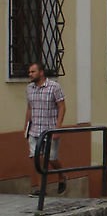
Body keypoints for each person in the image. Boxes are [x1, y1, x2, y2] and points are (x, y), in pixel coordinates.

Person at [24, 61, 67, 194]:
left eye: (33, 71)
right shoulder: (29, 88)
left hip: (50, 129)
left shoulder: (54, 87)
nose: (30, 74)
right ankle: (41, 189)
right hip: (35, 129)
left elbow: (62, 107)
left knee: (51, 158)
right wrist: (26, 126)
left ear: (41, 72)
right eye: (29, 72)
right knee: (36, 158)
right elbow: (29, 107)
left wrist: (58, 128)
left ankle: (62, 176)